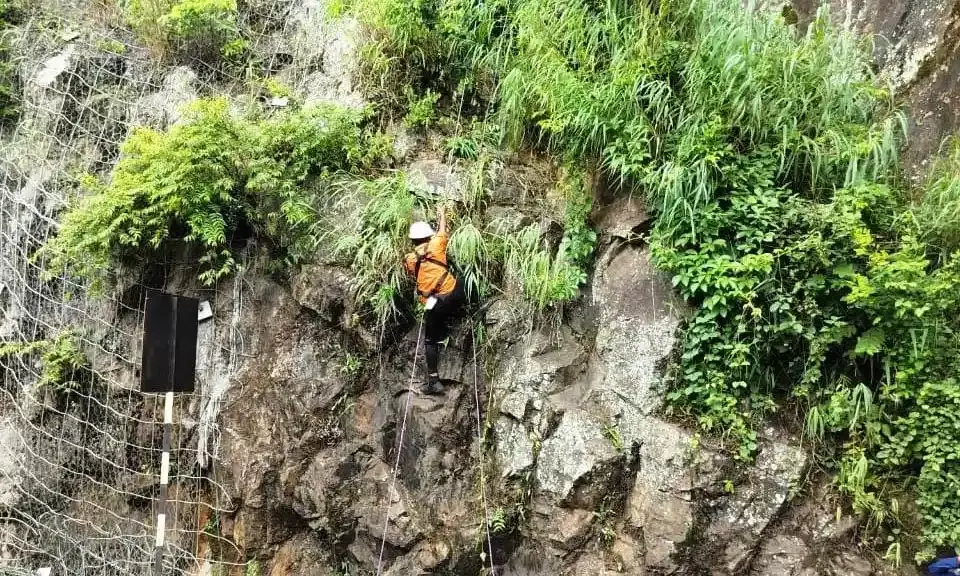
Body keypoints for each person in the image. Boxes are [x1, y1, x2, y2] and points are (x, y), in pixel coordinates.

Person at [404, 205, 466, 395]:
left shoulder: (409, 259)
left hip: (434, 304)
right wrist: (441, 214)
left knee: (430, 340)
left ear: (413, 240)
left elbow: (413, 275)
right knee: (462, 279)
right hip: (454, 295)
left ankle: (433, 380)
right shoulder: (437, 245)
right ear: (428, 236)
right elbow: (442, 230)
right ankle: (472, 308)